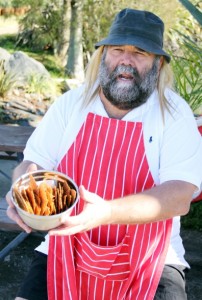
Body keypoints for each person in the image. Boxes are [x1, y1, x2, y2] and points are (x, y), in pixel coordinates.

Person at [6, 8, 202, 300]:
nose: (126, 59)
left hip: (152, 255)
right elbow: (34, 163)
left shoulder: (173, 114)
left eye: (140, 52)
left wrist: (107, 213)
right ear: (103, 55)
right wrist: (20, 189)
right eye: (118, 49)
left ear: (158, 63)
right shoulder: (71, 104)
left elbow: (179, 195)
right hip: (65, 242)